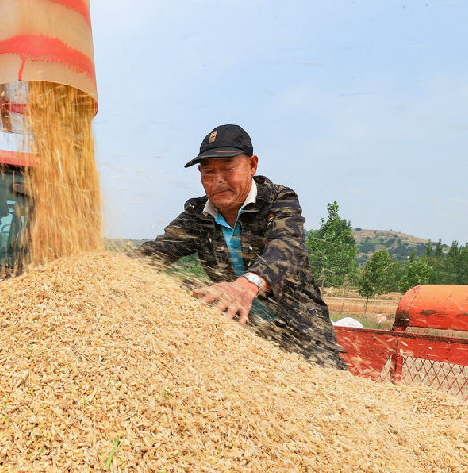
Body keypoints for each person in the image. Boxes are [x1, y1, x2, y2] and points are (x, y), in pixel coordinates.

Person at [133, 124, 346, 369]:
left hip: (300, 331)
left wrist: (247, 285)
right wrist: (107, 267)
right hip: (240, 337)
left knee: (326, 388)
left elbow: (286, 247)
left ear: (252, 165)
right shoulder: (198, 214)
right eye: (208, 172)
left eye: (227, 169)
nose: (218, 180)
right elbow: (156, 253)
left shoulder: (278, 200)